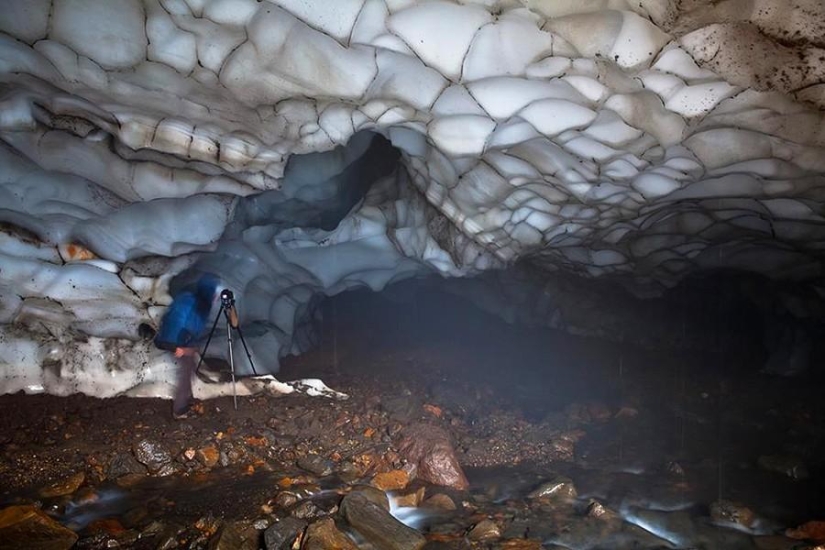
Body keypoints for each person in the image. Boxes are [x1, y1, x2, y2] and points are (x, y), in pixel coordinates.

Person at [154, 274, 219, 418]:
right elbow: (189, 327)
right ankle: (180, 410)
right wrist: (183, 347)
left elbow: (170, 318)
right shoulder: (199, 305)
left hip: (169, 337)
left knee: (189, 367)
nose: (215, 296)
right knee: (185, 373)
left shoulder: (188, 297)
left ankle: (186, 398)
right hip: (178, 341)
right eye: (214, 292)